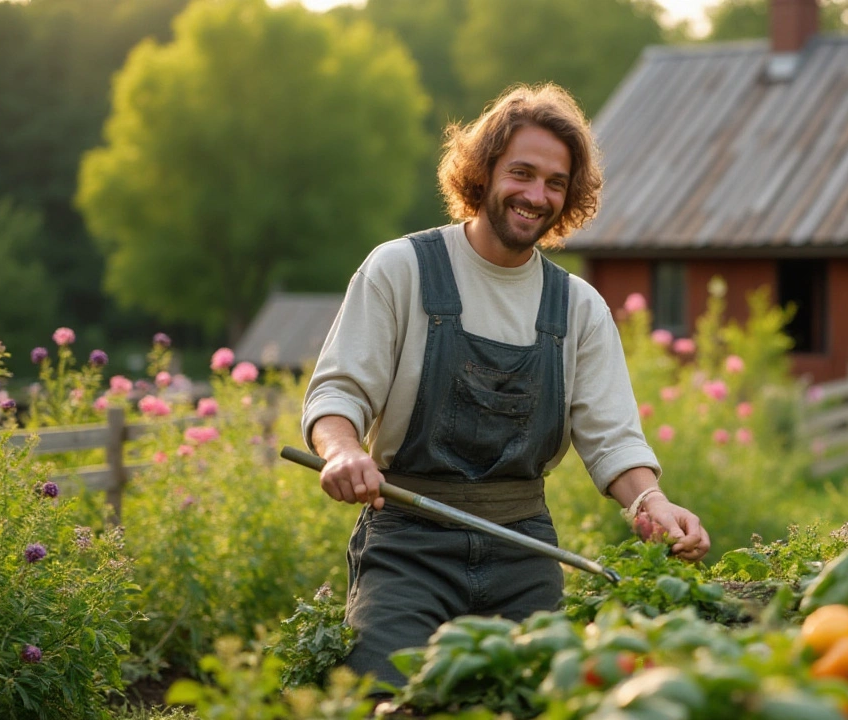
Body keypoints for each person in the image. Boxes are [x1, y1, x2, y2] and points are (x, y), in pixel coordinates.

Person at [301, 83, 710, 689]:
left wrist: (653, 504)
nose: (536, 196)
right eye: (521, 173)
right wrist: (343, 451)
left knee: (536, 698)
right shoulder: (401, 269)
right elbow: (338, 396)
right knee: (384, 693)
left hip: (525, 549)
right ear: (483, 170)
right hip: (408, 542)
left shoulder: (577, 307)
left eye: (555, 183)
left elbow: (612, 440)